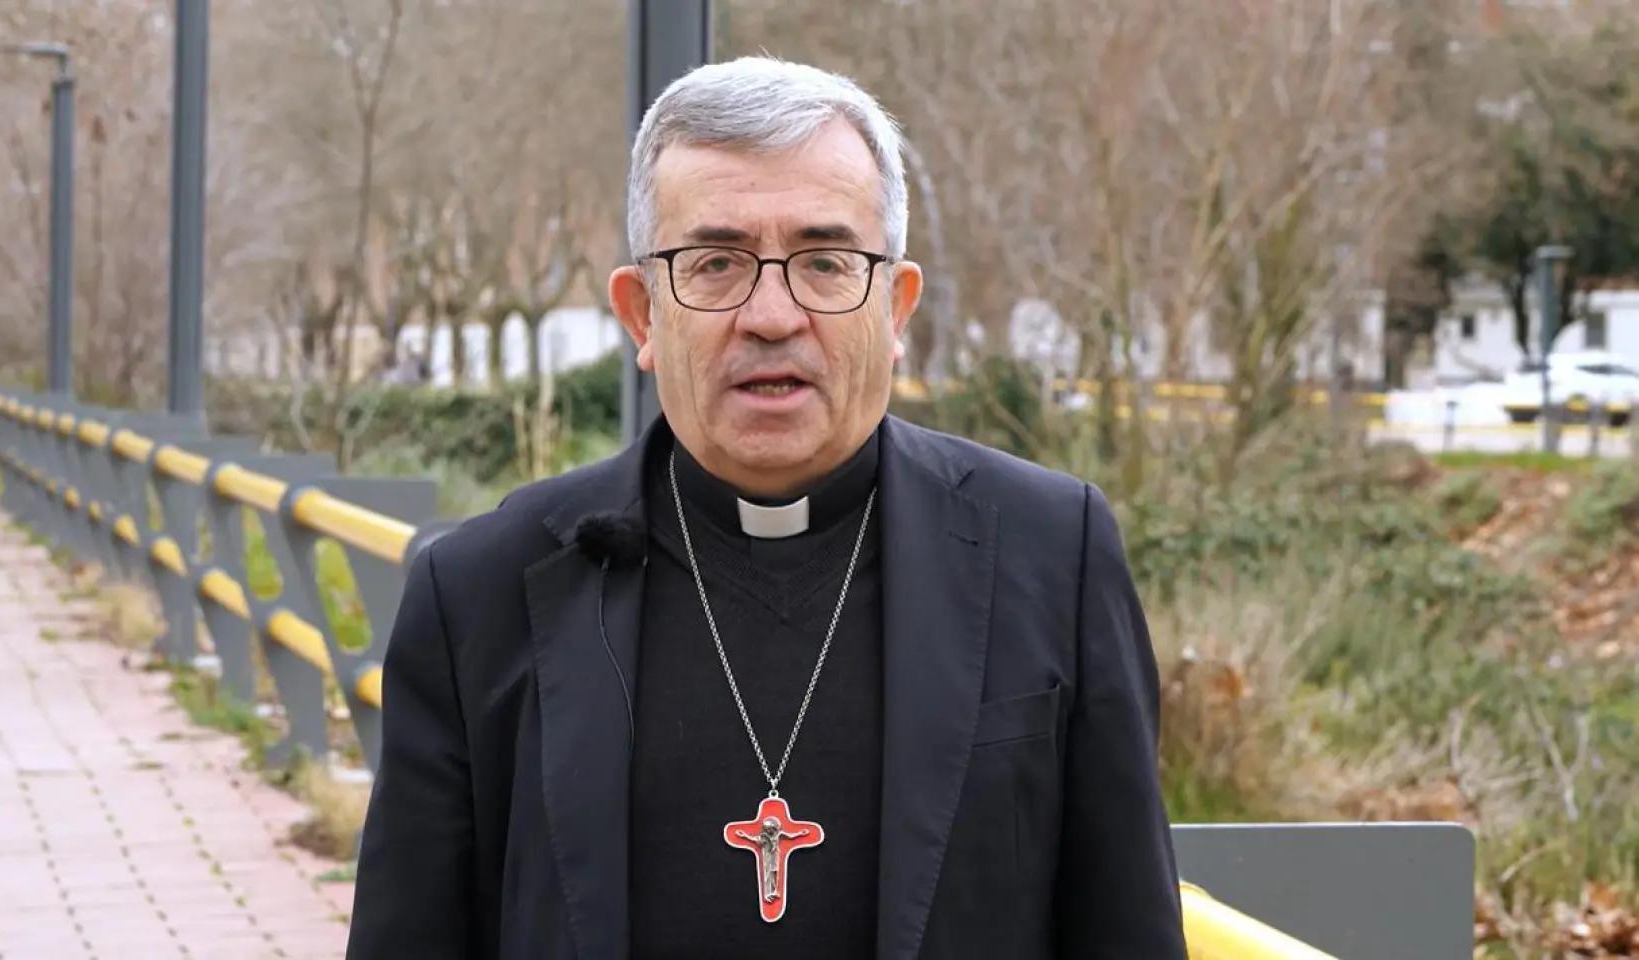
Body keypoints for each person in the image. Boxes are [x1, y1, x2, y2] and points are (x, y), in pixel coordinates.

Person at [346, 56, 1187, 960]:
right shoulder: (481, 590)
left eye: (825, 262)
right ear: (642, 315)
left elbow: (1127, 927)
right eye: (716, 263)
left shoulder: (1051, 557)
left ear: (896, 308)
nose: (773, 315)